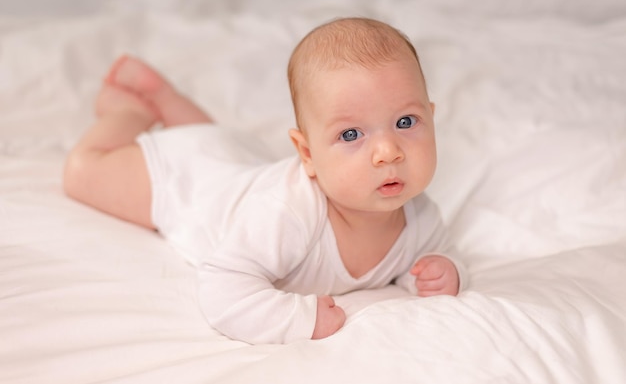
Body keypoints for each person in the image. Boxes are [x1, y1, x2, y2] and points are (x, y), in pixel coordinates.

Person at [64, 17, 467, 344]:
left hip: (235, 160)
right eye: (351, 134)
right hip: (188, 179)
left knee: (219, 150)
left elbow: (440, 253)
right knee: (82, 173)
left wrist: (446, 270)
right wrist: (299, 318)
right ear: (307, 154)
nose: (388, 151)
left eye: (405, 122)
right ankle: (130, 113)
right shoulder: (287, 214)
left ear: (432, 118)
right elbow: (224, 288)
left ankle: (170, 102)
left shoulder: (418, 214)